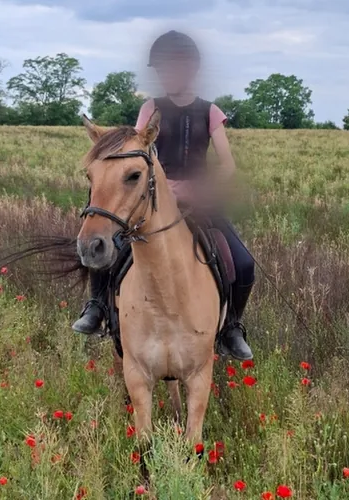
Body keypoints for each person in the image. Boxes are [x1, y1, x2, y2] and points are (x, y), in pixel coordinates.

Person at [72, 30, 254, 360]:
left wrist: (203, 190)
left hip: (199, 202)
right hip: (156, 200)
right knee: (113, 243)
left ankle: (231, 327)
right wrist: (164, 185)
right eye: (162, 70)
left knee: (243, 261)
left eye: (173, 68)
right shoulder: (151, 107)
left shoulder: (210, 112)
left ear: (192, 69)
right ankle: (97, 306)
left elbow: (227, 165)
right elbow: (137, 149)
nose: (168, 75)